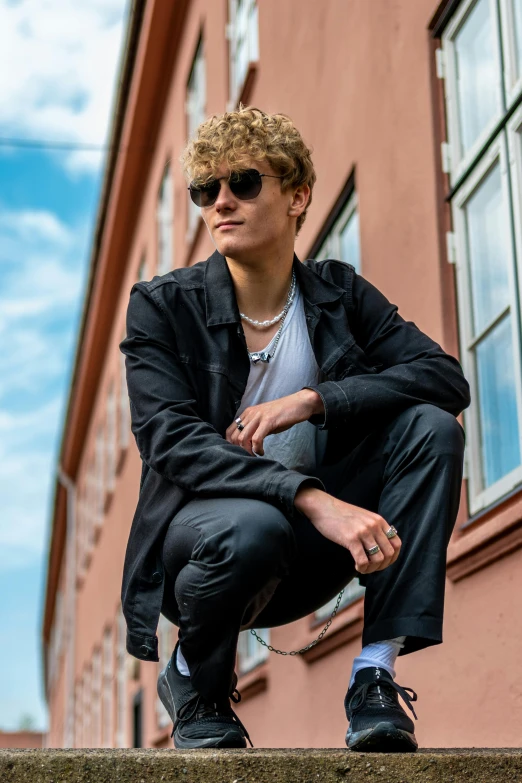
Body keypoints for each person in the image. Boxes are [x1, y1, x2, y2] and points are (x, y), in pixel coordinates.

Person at [119, 105, 470, 752]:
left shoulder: (339, 297)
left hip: (312, 556)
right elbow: (174, 443)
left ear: (298, 194)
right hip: (207, 550)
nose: (221, 201)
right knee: (254, 524)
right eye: (206, 190)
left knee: (432, 428)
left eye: (244, 182)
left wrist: (313, 399)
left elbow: (445, 379)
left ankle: (375, 675)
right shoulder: (162, 307)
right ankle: (196, 679)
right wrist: (312, 498)